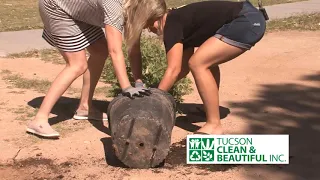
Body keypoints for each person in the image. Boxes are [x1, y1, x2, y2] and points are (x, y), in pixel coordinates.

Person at [26, 0, 166, 138]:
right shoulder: (115, 6)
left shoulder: (132, 8)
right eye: (150, 21)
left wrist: (138, 81)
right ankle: (39, 120)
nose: (149, 27)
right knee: (77, 65)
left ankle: (84, 107)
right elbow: (115, 51)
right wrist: (127, 88)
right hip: (56, 6)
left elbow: (133, 50)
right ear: (143, 13)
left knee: (99, 51)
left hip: (78, 12)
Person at [145, 0, 267, 134]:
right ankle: (210, 109)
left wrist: (151, 101)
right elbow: (182, 69)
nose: (149, 30)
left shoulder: (171, 24)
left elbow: (173, 70)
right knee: (205, 62)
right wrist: (155, 89)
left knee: (198, 63)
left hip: (245, 21)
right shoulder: (178, 22)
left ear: (155, 19)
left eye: (148, 26)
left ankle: (214, 125)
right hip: (248, 18)